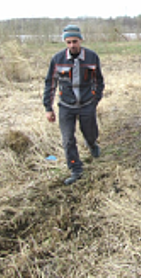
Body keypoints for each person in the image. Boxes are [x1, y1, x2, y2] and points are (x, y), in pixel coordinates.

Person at [43, 25, 105, 185]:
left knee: (90, 133)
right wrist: (48, 108)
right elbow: (50, 83)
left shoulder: (91, 57)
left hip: (86, 104)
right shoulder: (57, 60)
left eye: (75, 41)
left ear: (81, 40)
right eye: (68, 42)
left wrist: (94, 100)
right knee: (68, 139)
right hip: (66, 106)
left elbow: (99, 81)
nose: (72, 45)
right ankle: (75, 168)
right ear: (65, 42)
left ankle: (92, 144)